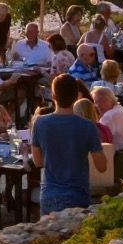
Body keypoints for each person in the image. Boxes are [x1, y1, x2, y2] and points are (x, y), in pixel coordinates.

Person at [31, 75, 107, 215]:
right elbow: (102, 167)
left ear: (53, 96)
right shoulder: (88, 126)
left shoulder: (39, 122)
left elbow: (38, 162)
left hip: (48, 194)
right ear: (76, 97)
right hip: (77, 195)